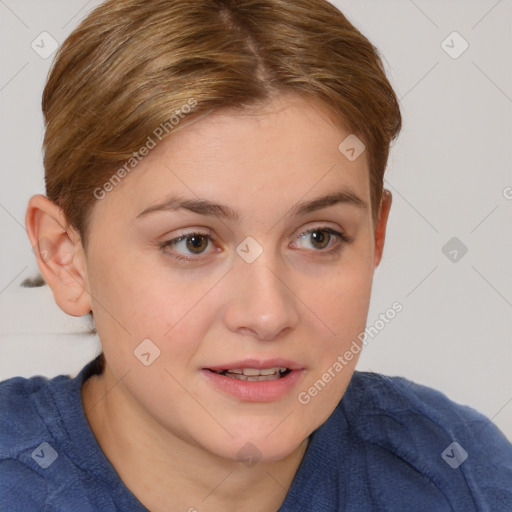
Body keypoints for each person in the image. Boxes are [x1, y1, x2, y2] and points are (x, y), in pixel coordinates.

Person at [1, 0, 511, 510]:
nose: (267, 315)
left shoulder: (466, 477)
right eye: (192, 242)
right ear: (65, 256)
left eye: (318, 237)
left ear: (376, 235)